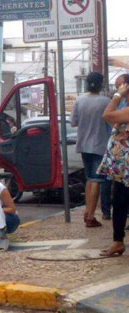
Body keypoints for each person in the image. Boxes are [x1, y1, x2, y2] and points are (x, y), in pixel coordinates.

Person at [70, 72, 112, 226]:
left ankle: (87, 211)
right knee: (96, 180)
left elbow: (73, 122)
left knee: (89, 178)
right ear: (101, 84)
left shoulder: (80, 99)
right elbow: (111, 121)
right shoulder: (106, 101)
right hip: (100, 144)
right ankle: (90, 217)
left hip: (83, 144)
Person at [97, 82, 129, 257]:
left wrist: (117, 96)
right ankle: (117, 241)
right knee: (119, 203)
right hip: (122, 168)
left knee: (120, 203)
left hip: (126, 168)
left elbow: (107, 115)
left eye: (121, 85)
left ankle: (118, 241)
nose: (119, 88)